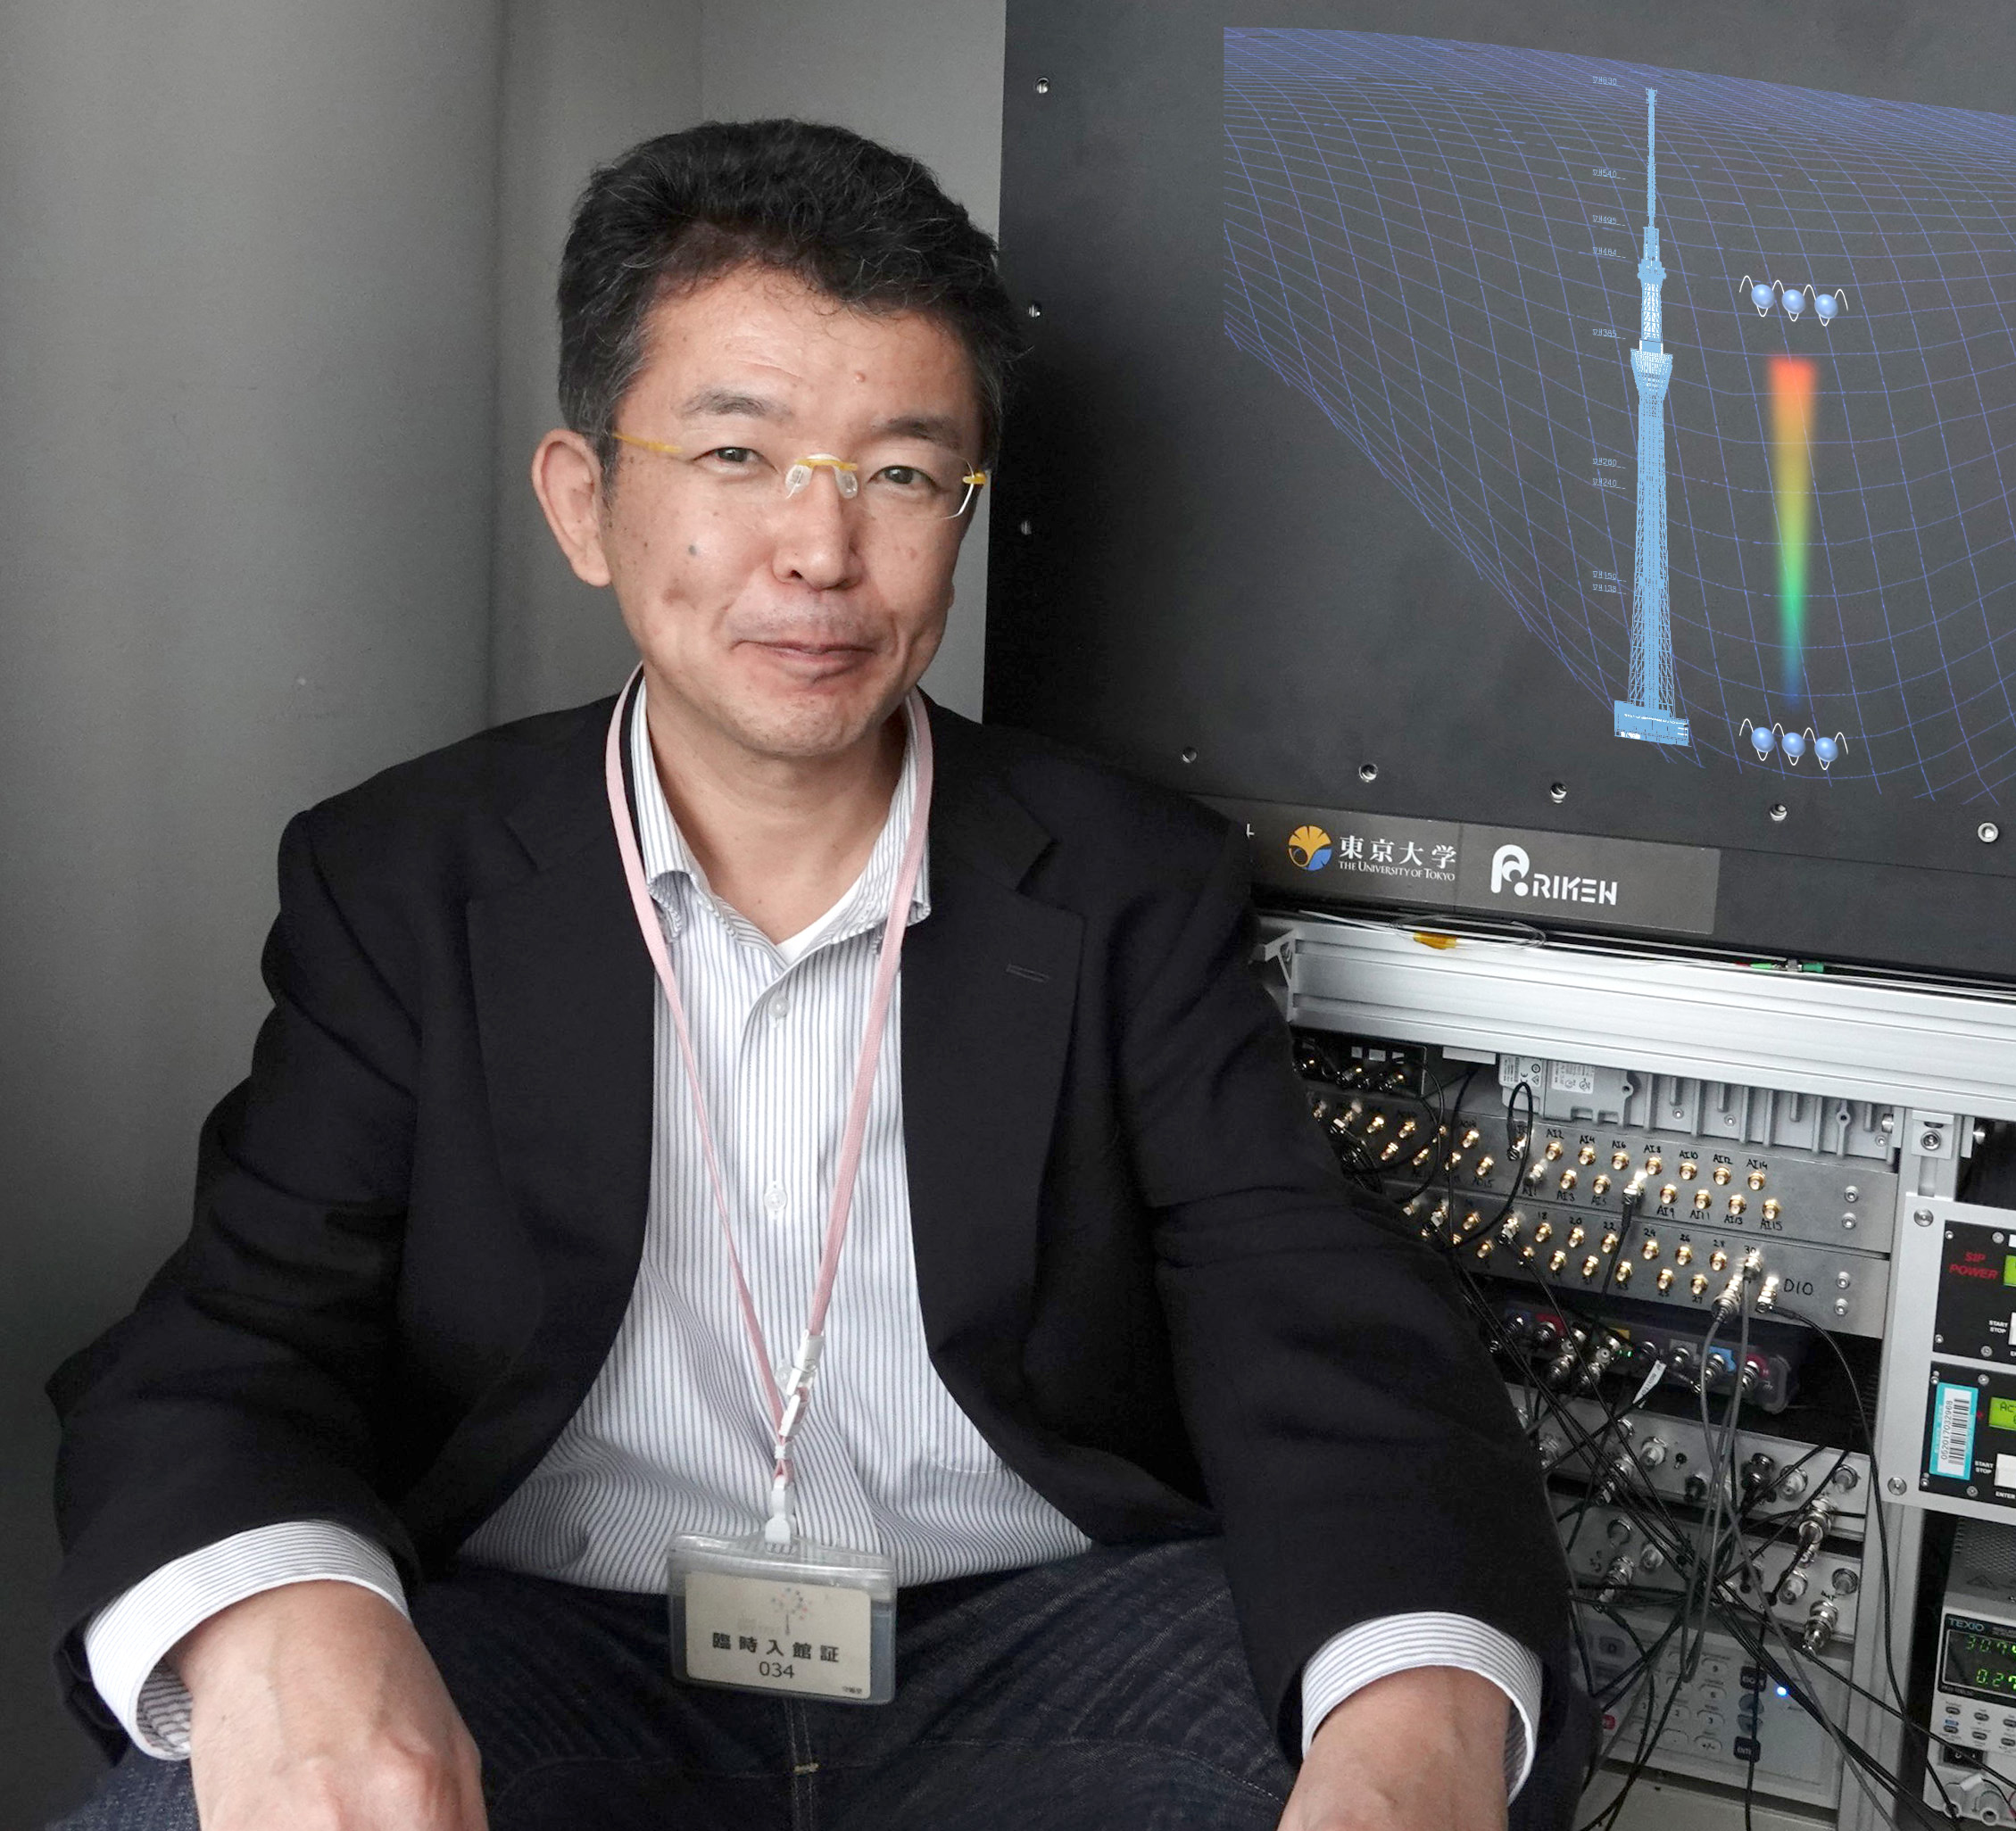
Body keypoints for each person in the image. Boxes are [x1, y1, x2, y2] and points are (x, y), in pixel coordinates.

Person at [48, 120, 1577, 1831]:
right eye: (736, 454)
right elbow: (228, 1340)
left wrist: (1416, 1725)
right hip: (549, 1648)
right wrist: (290, 1634)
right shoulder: (408, 879)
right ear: (584, 500)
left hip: (1041, 1650)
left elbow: (1315, 1323)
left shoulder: (1129, 882)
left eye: (903, 475)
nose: (821, 553)